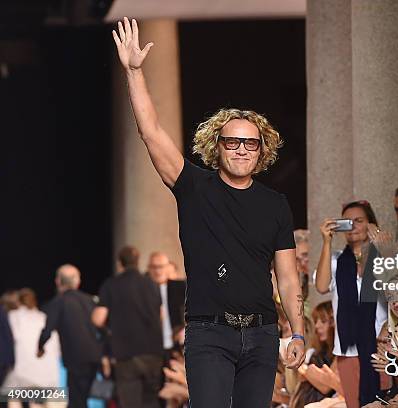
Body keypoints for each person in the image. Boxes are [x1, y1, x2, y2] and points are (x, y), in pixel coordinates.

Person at [111, 18, 305, 407]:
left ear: (262, 151)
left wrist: (298, 333)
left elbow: (287, 277)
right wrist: (134, 72)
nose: (241, 150)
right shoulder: (194, 186)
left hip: (263, 335)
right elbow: (150, 132)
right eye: (232, 142)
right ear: (216, 146)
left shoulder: (275, 204)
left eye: (250, 144)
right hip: (209, 335)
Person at [315, 200, 387, 408]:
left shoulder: (383, 256)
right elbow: (321, 286)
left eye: (359, 220)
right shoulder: (337, 260)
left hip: (380, 347)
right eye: (348, 221)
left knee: (384, 402)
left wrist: (380, 245)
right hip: (348, 350)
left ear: (371, 224)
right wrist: (326, 242)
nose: (353, 226)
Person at [92, 246, 164, 408]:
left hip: (126, 354)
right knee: (151, 401)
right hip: (154, 352)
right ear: (138, 262)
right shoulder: (151, 284)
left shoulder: (111, 285)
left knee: (130, 403)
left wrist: (110, 327)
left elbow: (98, 318)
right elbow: (161, 315)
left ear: (120, 263)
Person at [38, 264, 102, 408]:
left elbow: (47, 329)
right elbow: (102, 328)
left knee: (76, 400)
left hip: (76, 358)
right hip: (94, 357)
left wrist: (40, 347)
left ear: (58, 281)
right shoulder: (90, 301)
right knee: (83, 397)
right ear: (77, 282)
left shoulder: (59, 302)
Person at [3, 289, 61, 395]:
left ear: (18, 302)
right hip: (49, 374)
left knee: (11, 395)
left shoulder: (13, 317)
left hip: (23, 373)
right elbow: (57, 350)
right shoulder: (44, 317)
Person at [147, 251, 186, 357]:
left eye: (161, 266)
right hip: (151, 350)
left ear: (168, 267)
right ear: (149, 268)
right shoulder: (143, 290)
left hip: (178, 347)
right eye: (154, 267)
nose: (158, 271)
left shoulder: (181, 287)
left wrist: (184, 329)